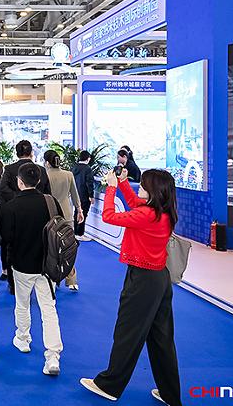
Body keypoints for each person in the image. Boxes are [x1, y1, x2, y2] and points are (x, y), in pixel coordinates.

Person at [81, 169, 181, 406]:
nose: (140, 187)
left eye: (143, 184)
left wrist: (112, 187)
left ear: (154, 190)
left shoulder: (147, 215)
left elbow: (109, 216)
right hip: (159, 279)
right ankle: (170, 394)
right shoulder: (162, 212)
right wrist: (124, 183)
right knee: (162, 339)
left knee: (127, 333)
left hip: (143, 281)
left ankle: (109, 385)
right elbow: (136, 202)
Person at [0, 163, 64, 376]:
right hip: (48, 265)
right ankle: (53, 356)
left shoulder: (11, 207)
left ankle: (23, 338)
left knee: (22, 304)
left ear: (19, 182)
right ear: (38, 181)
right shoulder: (51, 202)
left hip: (22, 265)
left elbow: (6, 238)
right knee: (49, 309)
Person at [44, 150, 82, 291]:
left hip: (49, 214)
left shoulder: (44, 176)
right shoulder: (68, 174)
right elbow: (75, 194)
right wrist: (79, 209)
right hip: (67, 214)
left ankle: (51, 279)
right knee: (68, 248)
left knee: (50, 248)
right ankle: (72, 280)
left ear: (47, 162)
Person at [72, 150, 95, 241]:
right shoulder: (87, 169)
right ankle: (80, 234)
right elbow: (89, 183)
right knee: (83, 213)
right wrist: (91, 195)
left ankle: (75, 232)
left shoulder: (74, 167)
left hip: (75, 194)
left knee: (76, 212)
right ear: (88, 158)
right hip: (84, 195)